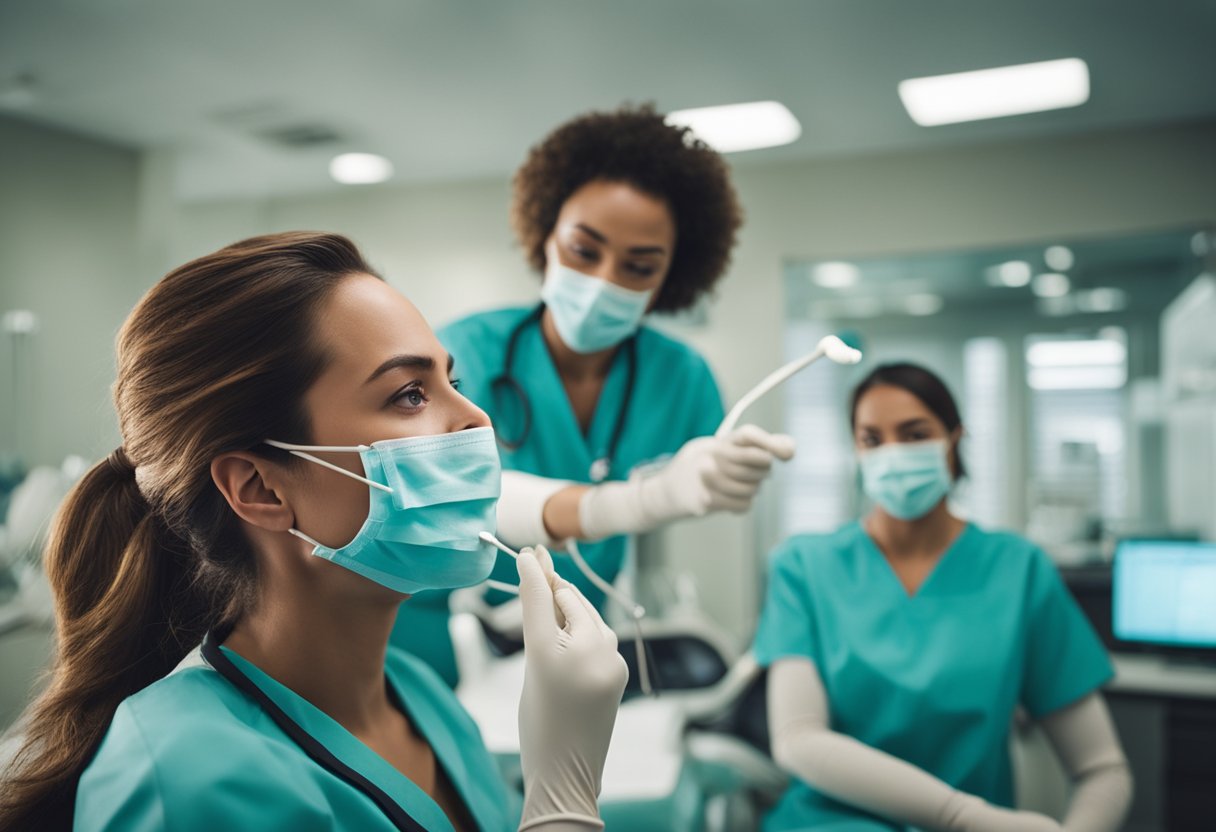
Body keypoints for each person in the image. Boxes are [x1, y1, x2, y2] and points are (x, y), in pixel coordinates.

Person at [0, 233, 627, 832]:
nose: (475, 419)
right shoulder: (185, 778)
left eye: (451, 382)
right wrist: (561, 802)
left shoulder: (423, 698)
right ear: (259, 488)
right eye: (410, 394)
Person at [394, 104, 795, 684]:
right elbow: (466, 495)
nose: (606, 280)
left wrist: (721, 478)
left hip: (576, 635)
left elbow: (683, 498)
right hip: (444, 630)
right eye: (585, 251)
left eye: (639, 266)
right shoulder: (463, 353)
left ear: (672, 278)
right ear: (546, 233)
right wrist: (636, 501)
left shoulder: (681, 378)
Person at [753, 363, 1132, 832]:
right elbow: (797, 740)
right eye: (872, 439)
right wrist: (961, 816)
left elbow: (1102, 769)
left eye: (914, 435)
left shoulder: (1018, 569)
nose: (892, 453)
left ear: (954, 440)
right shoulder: (804, 566)